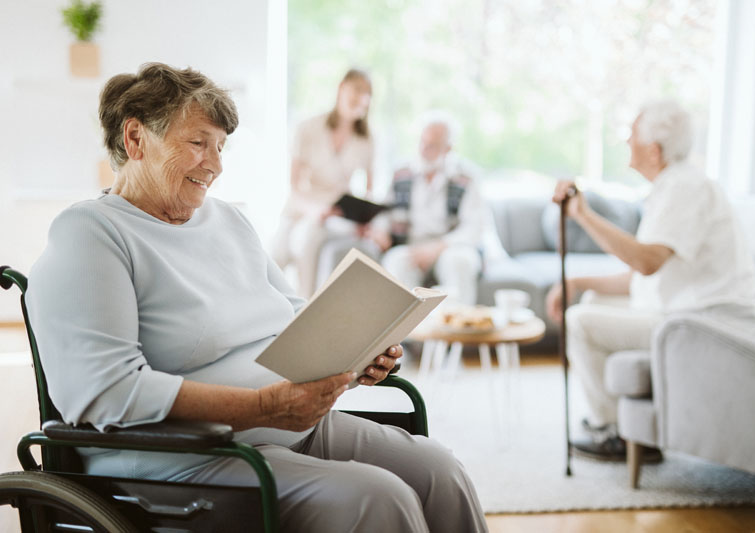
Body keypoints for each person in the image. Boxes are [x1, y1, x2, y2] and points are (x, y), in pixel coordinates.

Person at [26, 63, 487, 532]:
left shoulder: (227, 220)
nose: (217, 164)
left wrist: (359, 350)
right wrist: (266, 408)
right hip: (184, 458)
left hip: (292, 428)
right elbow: (105, 393)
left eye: (221, 146)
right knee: (377, 498)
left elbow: (292, 316)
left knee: (438, 471)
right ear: (136, 139)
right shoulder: (92, 235)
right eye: (198, 142)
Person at [546, 100, 755, 462]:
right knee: (592, 304)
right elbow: (642, 279)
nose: (626, 142)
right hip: (687, 315)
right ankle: (621, 424)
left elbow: (646, 262)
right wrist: (578, 282)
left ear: (653, 149)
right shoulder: (672, 187)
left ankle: (618, 432)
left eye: (631, 135)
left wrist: (584, 216)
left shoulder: (686, 188)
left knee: (580, 322)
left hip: (709, 326)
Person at [273, 68, 376, 298]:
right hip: (302, 207)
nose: (360, 97)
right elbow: (295, 186)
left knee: (307, 239)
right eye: (356, 90)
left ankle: (306, 307)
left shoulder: (366, 139)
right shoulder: (308, 128)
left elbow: (369, 190)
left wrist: (363, 218)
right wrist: (314, 210)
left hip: (337, 213)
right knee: (276, 253)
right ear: (341, 89)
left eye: (366, 93)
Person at [369, 113, 486, 305]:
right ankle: (409, 334)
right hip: (411, 245)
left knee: (460, 263)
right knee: (395, 262)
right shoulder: (401, 172)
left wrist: (437, 248)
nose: (423, 150)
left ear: (448, 148)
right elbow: (383, 212)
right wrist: (380, 230)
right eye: (422, 142)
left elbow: (474, 227)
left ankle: (456, 332)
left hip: (451, 246)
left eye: (432, 145)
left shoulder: (467, 177)